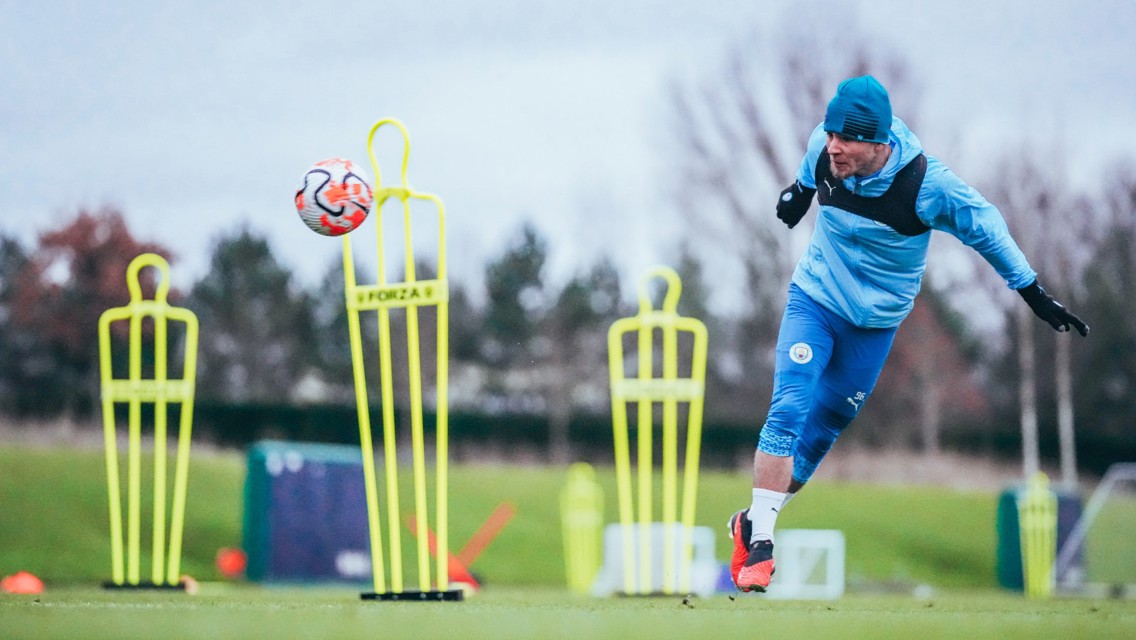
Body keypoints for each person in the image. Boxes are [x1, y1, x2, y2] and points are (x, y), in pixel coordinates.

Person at [728, 75, 1089, 593]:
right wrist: (799, 194)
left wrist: (1032, 292)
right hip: (815, 299)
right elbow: (811, 174)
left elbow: (985, 226)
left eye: (847, 140)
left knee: (822, 433)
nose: (834, 146)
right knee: (790, 400)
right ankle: (761, 542)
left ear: (880, 143)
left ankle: (750, 521)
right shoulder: (822, 147)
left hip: (874, 325)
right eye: (830, 134)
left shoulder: (927, 186)